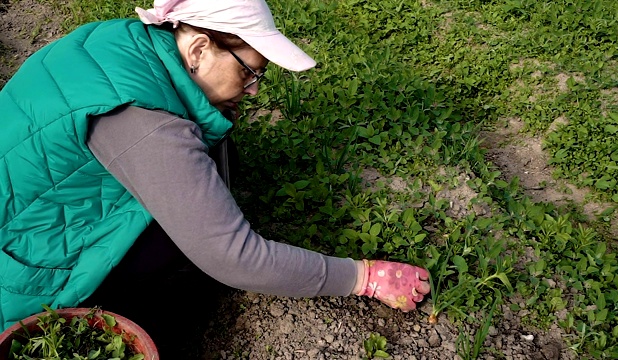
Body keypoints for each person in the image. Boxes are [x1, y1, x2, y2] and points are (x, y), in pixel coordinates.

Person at [0, 0, 430, 332]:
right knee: (185, 271)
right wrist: (362, 277)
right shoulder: (147, 124)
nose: (255, 90)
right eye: (248, 73)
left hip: (23, 202)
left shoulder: (125, 40)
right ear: (200, 48)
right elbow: (234, 257)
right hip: (19, 270)